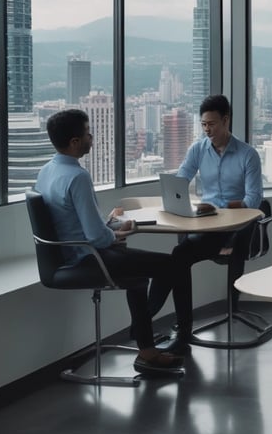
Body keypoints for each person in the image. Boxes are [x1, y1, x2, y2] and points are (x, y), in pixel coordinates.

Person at [36, 108, 183, 375]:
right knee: (172, 264)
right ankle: (147, 329)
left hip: (66, 255)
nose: (92, 137)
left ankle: (147, 349)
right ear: (74, 142)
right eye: (87, 133)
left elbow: (76, 222)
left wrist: (111, 228)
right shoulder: (77, 176)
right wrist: (116, 234)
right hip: (89, 258)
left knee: (139, 279)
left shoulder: (47, 171)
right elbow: (95, 237)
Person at [150, 94, 264, 354]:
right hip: (209, 226)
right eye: (203, 125)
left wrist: (221, 207)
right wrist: (181, 201)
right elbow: (181, 181)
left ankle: (155, 320)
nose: (207, 130)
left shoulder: (248, 155)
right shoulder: (198, 149)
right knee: (178, 256)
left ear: (226, 120)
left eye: (212, 124)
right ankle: (176, 326)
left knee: (181, 254)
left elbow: (254, 199)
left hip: (238, 228)